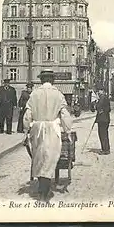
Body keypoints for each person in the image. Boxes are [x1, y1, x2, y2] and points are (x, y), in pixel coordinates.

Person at [23, 69, 73, 202]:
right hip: (52, 129)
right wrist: (68, 132)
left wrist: (26, 130)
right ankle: (44, 190)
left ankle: (42, 188)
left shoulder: (34, 94)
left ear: (41, 80)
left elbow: (28, 115)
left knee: (39, 157)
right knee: (50, 158)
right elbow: (64, 114)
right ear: (53, 80)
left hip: (37, 129)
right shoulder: (58, 95)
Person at [95, 88, 111, 155]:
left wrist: (96, 104)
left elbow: (98, 107)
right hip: (106, 119)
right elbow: (108, 109)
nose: (98, 92)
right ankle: (106, 148)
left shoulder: (102, 98)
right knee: (105, 134)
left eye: (99, 91)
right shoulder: (105, 97)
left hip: (102, 119)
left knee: (102, 134)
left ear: (102, 91)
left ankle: (105, 150)